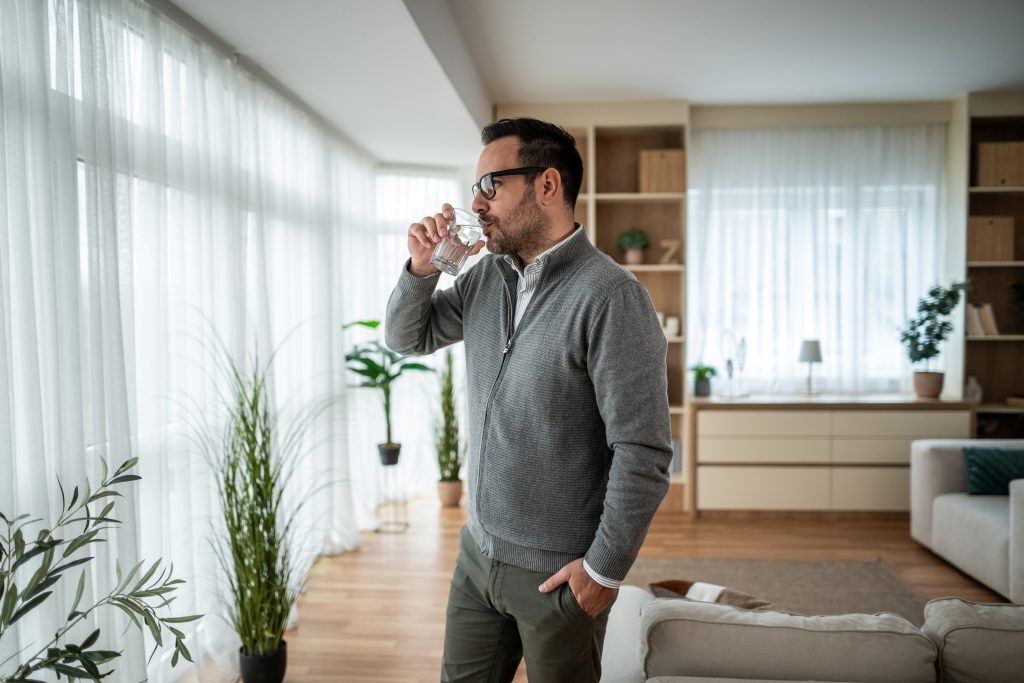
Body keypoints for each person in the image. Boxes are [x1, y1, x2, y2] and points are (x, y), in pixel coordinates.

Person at [385, 117, 672, 682]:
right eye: (475, 188)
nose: (476, 203)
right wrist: (422, 269)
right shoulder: (485, 276)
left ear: (547, 185)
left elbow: (643, 451)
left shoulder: (612, 296)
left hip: (557, 577)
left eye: (490, 185)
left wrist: (602, 572)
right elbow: (405, 337)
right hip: (478, 556)